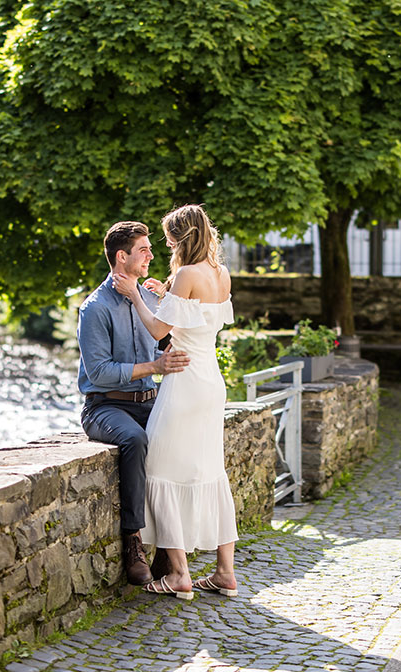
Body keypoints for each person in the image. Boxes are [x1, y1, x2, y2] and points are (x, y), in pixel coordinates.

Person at [113, 204, 239, 600]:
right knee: (210, 471)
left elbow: (158, 330)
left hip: (183, 383)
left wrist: (135, 295)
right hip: (211, 381)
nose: (165, 247)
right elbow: (199, 315)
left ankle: (179, 574)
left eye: (168, 240)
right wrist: (165, 294)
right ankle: (224, 572)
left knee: (159, 467)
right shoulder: (219, 273)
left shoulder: (185, 273)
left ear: (181, 238)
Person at [77, 221, 190, 586]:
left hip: (149, 399)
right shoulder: (94, 308)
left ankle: (168, 548)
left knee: (178, 440)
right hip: (106, 406)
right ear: (121, 257)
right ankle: (132, 542)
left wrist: (171, 350)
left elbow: (163, 340)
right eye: (144, 250)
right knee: (136, 440)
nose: (151, 256)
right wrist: (155, 367)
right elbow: (100, 372)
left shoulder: (150, 298)